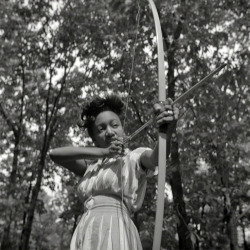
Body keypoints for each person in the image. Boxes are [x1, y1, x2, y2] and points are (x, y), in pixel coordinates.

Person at [50, 94, 179, 250]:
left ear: (123, 130)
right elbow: (55, 154)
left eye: (115, 125)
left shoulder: (133, 157)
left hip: (116, 227)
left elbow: (155, 158)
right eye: (101, 129)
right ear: (95, 139)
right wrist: (103, 153)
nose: (110, 132)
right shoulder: (90, 167)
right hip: (86, 230)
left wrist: (166, 131)